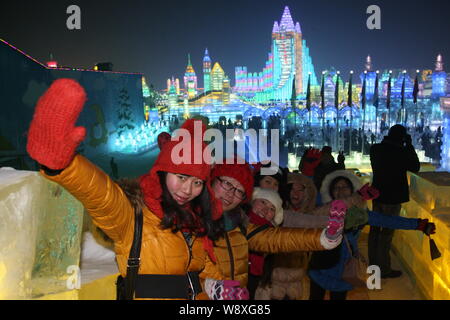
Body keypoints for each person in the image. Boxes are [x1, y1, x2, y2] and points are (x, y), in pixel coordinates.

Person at [26, 79, 225, 300]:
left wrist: (223, 289)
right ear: (162, 171)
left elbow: (201, 273)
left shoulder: (193, 221)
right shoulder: (135, 213)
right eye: (181, 177)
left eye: (197, 183)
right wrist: (63, 166)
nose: (188, 190)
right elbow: (102, 196)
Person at [201, 161, 348, 300]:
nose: (231, 193)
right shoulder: (194, 217)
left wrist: (323, 237)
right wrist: (207, 285)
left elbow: (276, 238)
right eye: (227, 183)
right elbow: (184, 266)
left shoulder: (238, 223)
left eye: (239, 190)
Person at [308, 170, 435, 300]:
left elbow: (387, 220)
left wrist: (418, 224)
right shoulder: (323, 210)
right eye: (336, 187)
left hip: (344, 269)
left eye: (344, 187)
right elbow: (307, 204)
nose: (340, 190)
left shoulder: (359, 214)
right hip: (320, 266)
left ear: (352, 190)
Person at [369, 124, 421, 278]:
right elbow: (415, 167)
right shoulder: (401, 152)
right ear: (402, 137)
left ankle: (373, 268)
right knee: (386, 234)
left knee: (374, 232)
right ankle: (384, 269)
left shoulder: (375, 149)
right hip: (393, 198)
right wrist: (409, 145)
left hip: (377, 195)